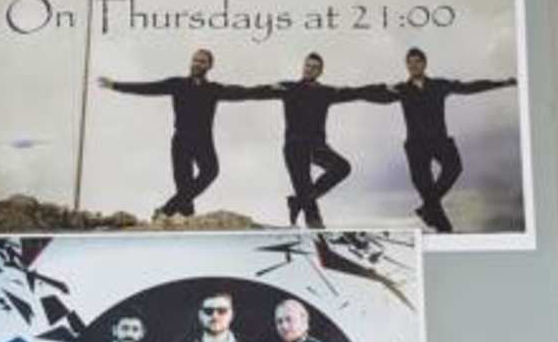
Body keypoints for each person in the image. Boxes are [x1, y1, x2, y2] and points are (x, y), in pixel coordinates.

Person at [97, 48, 273, 218]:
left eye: (202, 61)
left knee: (210, 171)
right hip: (181, 140)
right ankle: (183, 216)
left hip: (203, 141)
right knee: (184, 188)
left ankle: (166, 210)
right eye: (195, 60)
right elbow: (149, 88)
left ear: (209, 66)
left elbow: (244, 92)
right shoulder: (177, 84)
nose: (197, 64)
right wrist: (115, 85)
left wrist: (269, 89)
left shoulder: (213, 89)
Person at [386, 47, 516, 233]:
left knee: (454, 167)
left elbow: (468, 87)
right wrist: (381, 89)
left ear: (424, 63)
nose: (413, 66)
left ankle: (428, 209)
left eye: (417, 61)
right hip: (416, 146)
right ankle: (442, 225)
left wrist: (501, 83)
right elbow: (374, 94)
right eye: (410, 62)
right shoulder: (401, 89)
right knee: (426, 189)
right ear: (406, 65)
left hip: (439, 141)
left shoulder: (439, 85)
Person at [272, 52, 389, 227]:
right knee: (306, 192)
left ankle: (298, 202)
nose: (309, 69)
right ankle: (314, 224)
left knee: (342, 167)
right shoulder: (288, 88)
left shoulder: (325, 92)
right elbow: (255, 92)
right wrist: (265, 88)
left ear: (320, 72)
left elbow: (355, 92)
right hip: (295, 147)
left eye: (314, 67)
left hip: (316, 146)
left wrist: (382, 88)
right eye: (307, 65)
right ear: (303, 67)